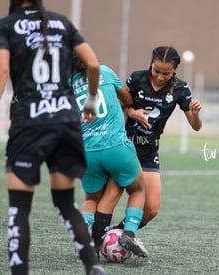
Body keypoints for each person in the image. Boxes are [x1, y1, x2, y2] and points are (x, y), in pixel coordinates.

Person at [0, 1, 106, 274]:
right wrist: (92, 102)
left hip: (30, 123)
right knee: (65, 202)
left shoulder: (5, 25)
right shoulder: (62, 22)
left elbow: (1, 69)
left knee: (20, 208)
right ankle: (92, 266)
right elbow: (93, 64)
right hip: (66, 120)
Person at [102, 46, 203, 230]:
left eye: (166, 73)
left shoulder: (181, 88)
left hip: (148, 150)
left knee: (151, 209)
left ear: (174, 71)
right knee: (111, 195)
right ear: (151, 65)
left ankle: (116, 233)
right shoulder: (137, 78)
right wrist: (132, 113)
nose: (160, 76)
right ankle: (95, 238)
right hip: (125, 146)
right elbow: (118, 107)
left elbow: (196, 126)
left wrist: (195, 113)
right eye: (156, 71)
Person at [71, 55, 148, 258]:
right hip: (116, 146)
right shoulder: (105, 72)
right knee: (138, 189)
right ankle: (129, 234)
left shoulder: (65, 86)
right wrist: (127, 108)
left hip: (86, 151)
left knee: (92, 199)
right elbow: (128, 99)